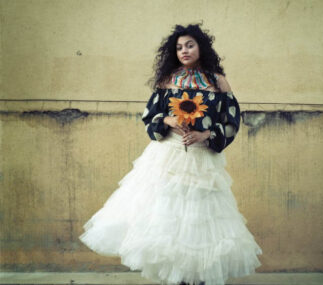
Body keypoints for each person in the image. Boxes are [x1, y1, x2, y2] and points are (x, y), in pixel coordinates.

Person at [79, 23, 263, 285]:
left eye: (189, 45)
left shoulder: (218, 81)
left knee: (199, 223)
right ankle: (176, 280)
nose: (184, 51)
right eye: (178, 47)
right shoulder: (167, 80)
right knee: (166, 220)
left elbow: (232, 120)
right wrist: (167, 121)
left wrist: (206, 135)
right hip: (167, 159)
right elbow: (148, 117)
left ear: (201, 47)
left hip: (202, 162)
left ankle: (198, 278)